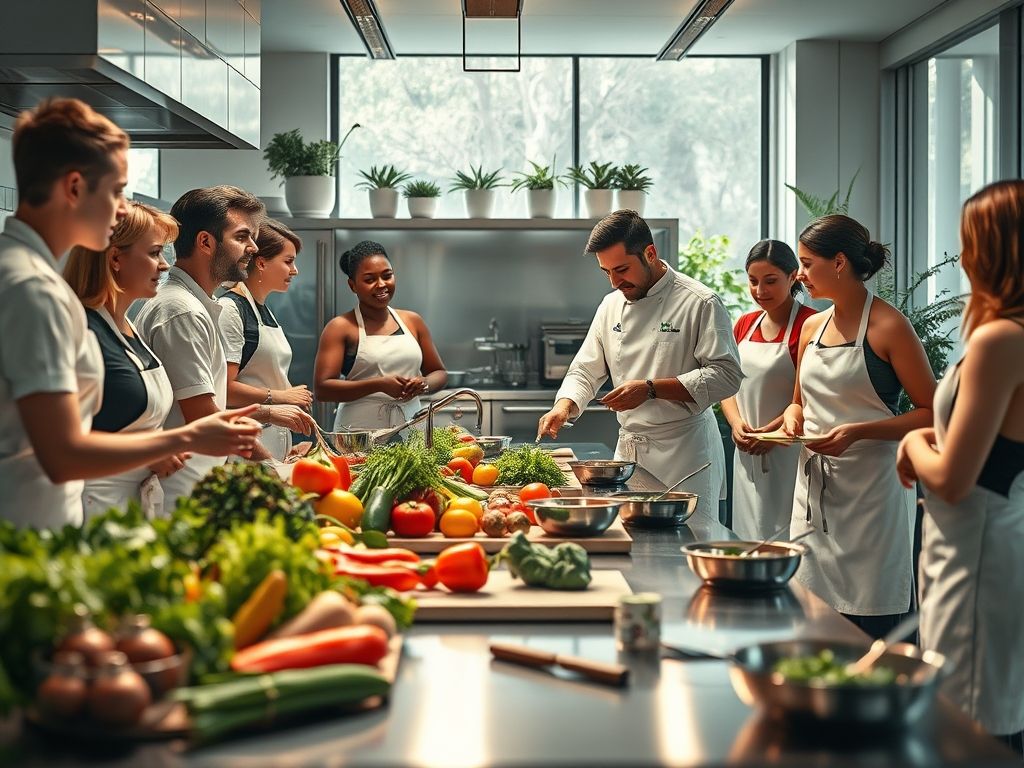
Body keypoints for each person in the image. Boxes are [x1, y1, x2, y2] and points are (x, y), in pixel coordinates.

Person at [0, 98, 260, 528]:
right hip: (31, 530)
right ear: (74, 187)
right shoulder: (33, 288)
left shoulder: (28, 274)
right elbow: (63, 454)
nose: (123, 209)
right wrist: (185, 437)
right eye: (117, 190)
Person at [897, 180, 1024, 750]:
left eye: (968, 241)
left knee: (967, 727)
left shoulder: (1001, 339)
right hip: (975, 543)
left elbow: (951, 479)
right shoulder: (1004, 334)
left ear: (992, 248)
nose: (964, 255)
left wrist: (912, 447)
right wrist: (932, 434)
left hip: (978, 547)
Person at [781, 214, 936, 639]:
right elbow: (799, 401)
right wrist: (793, 417)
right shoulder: (812, 326)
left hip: (872, 494)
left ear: (840, 263)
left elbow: (933, 412)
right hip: (815, 495)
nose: (800, 274)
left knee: (871, 617)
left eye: (808, 263)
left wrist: (858, 431)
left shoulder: (889, 327)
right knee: (813, 615)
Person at [537, 210, 742, 520]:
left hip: (685, 455)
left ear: (650, 253)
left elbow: (726, 376)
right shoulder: (611, 305)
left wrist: (650, 390)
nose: (615, 281)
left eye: (622, 269)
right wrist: (563, 406)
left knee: (685, 547)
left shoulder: (700, 302)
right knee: (635, 545)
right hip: (630, 454)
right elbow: (586, 368)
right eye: (606, 272)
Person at [135, 186, 301, 513]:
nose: (253, 248)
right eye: (242, 237)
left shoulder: (195, 305)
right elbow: (204, 415)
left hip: (195, 483)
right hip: (179, 495)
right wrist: (272, 468)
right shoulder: (182, 312)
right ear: (206, 242)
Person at [63, 201, 187, 518]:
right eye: (155, 253)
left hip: (131, 509)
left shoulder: (127, 325)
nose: (164, 265)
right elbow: (58, 444)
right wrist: (151, 452)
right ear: (116, 258)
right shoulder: (81, 330)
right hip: (90, 510)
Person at [720, 240, 817, 540]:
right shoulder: (744, 325)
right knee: (748, 537)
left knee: (789, 536)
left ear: (792, 277)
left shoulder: (810, 324)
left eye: (770, 281)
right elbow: (728, 385)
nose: (760, 291)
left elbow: (807, 395)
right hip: (746, 451)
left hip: (790, 450)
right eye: (753, 281)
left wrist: (772, 434)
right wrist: (737, 425)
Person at [314, 240, 447, 430]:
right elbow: (323, 389)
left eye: (387, 275)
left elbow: (439, 373)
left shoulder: (412, 321)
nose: (381, 285)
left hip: (411, 425)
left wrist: (424, 383)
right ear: (353, 285)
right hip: (359, 432)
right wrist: (378, 385)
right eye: (369, 280)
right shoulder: (340, 327)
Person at [218, 219, 315, 461]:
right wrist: (280, 396)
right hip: (245, 446)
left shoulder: (263, 309)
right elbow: (224, 389)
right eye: (288, 261)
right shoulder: (231, 309)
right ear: (261, 262)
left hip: (272, 439)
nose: (295, 270)